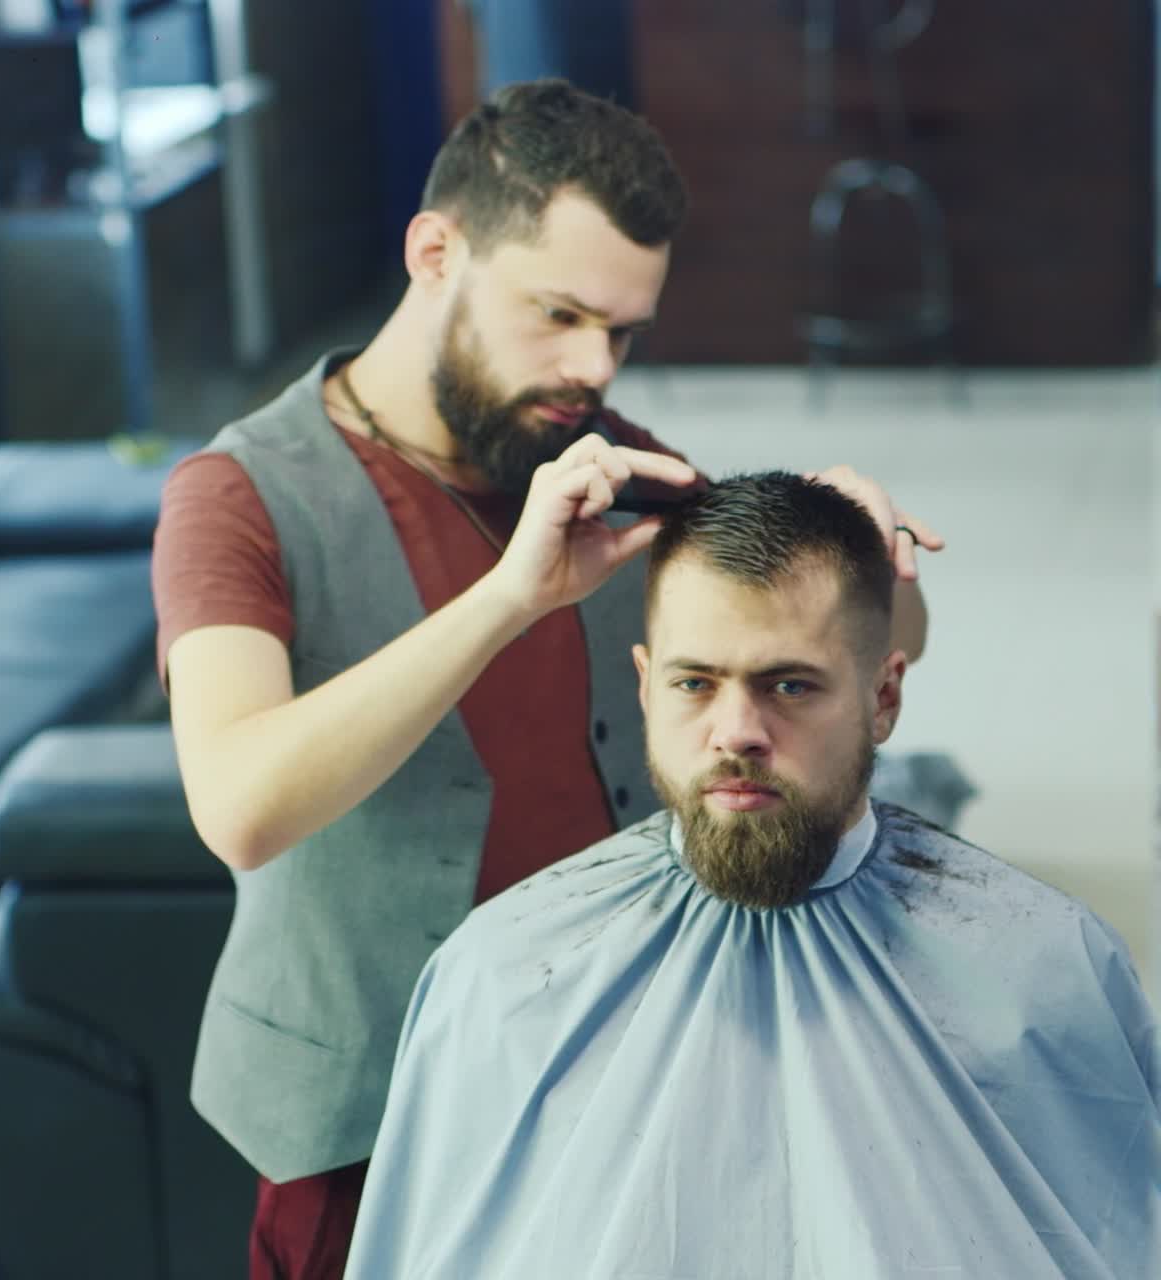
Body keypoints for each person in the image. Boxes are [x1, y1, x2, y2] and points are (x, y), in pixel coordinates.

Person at [152, 81, 941, 1279]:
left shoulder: (616, 462)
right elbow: (239, 805)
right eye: (558, 312)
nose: (590, 366)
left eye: (620, 332)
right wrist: (508, 597)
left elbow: (874, 646)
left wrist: (861, 549)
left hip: (612, 1069)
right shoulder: (235, 496)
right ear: (435, 251)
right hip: (359, 1118)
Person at [343, 472, 1160, 1280]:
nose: (737, 733)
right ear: (644, 686)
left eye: (790, 685)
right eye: (695, 683)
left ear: (884, 696)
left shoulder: (1046, 970)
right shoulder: (499, 977)